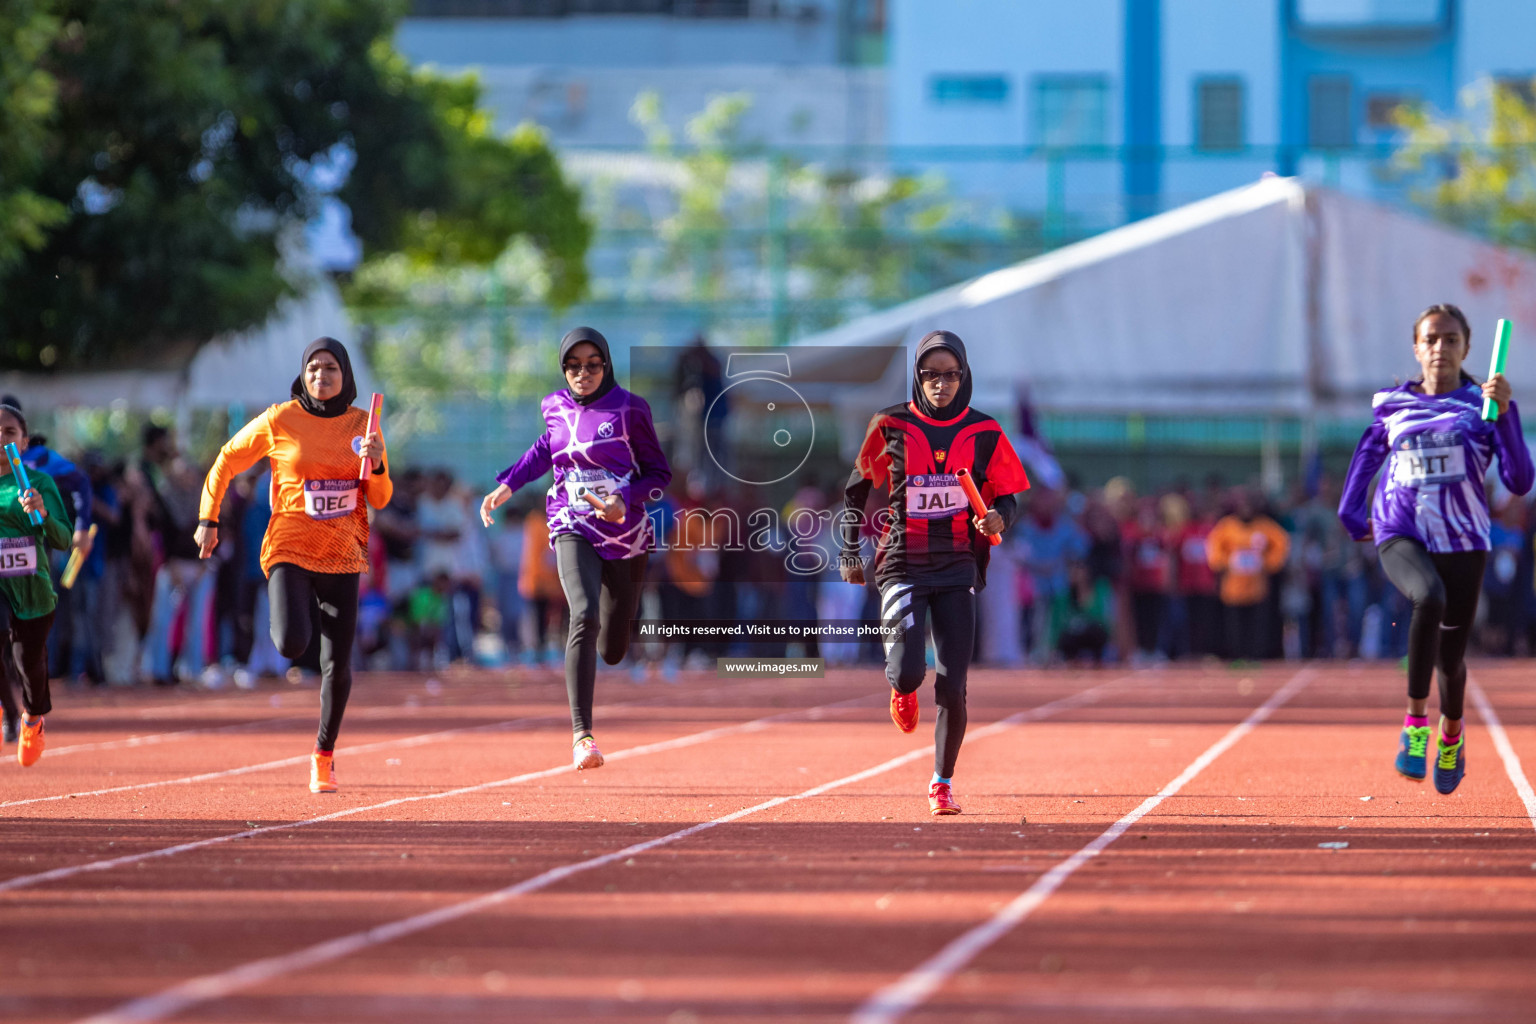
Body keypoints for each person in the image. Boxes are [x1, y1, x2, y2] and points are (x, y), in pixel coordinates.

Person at [1339, 303, 1534, 794]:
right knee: (1428, 596)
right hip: (1401, 531)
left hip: (1465, 539)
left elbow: (1519, 478)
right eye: (1431, 339)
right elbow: (1367, 457)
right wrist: (1351, 512)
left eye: (1450, 339)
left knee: (1451, 659)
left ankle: (1452, 733)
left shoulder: (1483, 406)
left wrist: (1507, 417)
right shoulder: (1391, 403)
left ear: (1467, 347)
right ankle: (1415, 725)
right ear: (1416, 347)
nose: (1440, 348)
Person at [840, 330, 1030, 817]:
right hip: (902, 563)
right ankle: (901, 689)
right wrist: (848, 549)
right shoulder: (890, 424)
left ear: (963, 377)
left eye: (949, 376)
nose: (940, 384)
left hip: (957, 565)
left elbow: (1008, 496)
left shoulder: (985, 432)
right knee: (908, 671)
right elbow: (857, 488)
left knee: (953, 683)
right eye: (930, 376)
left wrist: (998, 518)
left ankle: (942, 782)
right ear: (918, 378)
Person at [195, 337, 391, 793]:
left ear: (346, 376)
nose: (321, 376)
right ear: (303, 374)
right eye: (314, 368)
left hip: (342, 552)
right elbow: (227, 459)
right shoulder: (281, 419)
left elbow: (380, 497)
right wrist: (209, 516)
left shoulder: (366, 425)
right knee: (290, 642)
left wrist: (377, 464)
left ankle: (324, 754)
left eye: (331, 369)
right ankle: (294, 614)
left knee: (337, 663)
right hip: (289, 546)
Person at [480, 327, 671, 770]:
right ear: (563, 368)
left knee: (613, 648)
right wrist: (507, 485)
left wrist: (623, 501)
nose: (582, 373)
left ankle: (614, 636)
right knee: (582, 613)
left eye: (591, 364)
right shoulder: (553, 405)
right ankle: (582, 735)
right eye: (573, 365)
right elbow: (544, 449)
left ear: (606, 365)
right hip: (571, 522)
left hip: (625, 533)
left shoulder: (630, 409)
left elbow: (659, 473)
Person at [0, 401, 73, 765]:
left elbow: (63, 538)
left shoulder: (38, 483)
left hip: (31, 591)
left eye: (9, 432)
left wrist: (41, 513)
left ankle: (31, 718)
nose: (1, 438)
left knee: (28, 662)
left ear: (24, 442)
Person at [1206, 487, 1290, 662]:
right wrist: (1227, 561)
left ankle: (1256, 655)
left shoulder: (1265, 526)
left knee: (1257, 624)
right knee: (1235, 625)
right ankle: (1236, 654)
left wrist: (1267, 563)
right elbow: (1213, 548)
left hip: (1257, 586)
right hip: (1233, 587)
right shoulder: (1227, 526)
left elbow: (1281, 545)